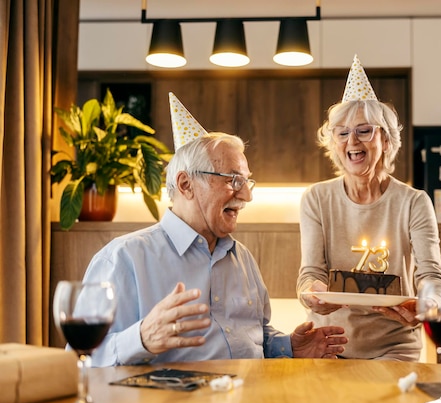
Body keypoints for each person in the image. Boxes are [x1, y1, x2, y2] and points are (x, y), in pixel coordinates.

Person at [82, 93, 347, 367]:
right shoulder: (122, 259)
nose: (246, 196)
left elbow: (257, 338)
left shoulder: (242, 258)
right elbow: (82, 358)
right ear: (185, 185)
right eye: (233, 180)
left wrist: (288, 346)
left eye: (247, 182)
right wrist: (141, 339)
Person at [296, 55, 441, 361]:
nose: (352, 140)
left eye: (364, 130)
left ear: (387, 141)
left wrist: (428, 305)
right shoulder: (316, 199)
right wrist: (313, 294)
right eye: (342, 133)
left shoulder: (413, 202)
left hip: (395, 348)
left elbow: (431, 274)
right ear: (334, 143)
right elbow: (309, 273)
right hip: (330, 345)